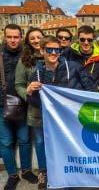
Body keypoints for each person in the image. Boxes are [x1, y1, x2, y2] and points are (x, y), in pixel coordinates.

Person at [0, 24, 38, 190]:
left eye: (16, 37)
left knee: (24, 140)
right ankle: (12, 175)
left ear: (21, 37)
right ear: (4, 36)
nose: (13, 40)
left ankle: (26, 170)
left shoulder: (27, 54)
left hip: (23, 103)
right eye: (10, 37)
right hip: (2, 104)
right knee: (6, 142)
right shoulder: (0, 54)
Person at [15, 27, 46, 190]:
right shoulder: (24, 60)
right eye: (32, 38)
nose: (35, 40)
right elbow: (18, 84)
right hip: (35, 109)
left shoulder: (53, 54)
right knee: (40, 142)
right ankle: (43, 172)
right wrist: (26, 92)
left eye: (38, 37)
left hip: (56, 110)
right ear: (28, 41)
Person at [62, 25, 99, 92]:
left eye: (89, 40)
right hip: (75, 95)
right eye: (82, 39)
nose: (86, 42)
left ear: (93, 40)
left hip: (94, 95)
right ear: (78, 39)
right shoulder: (69, 52)